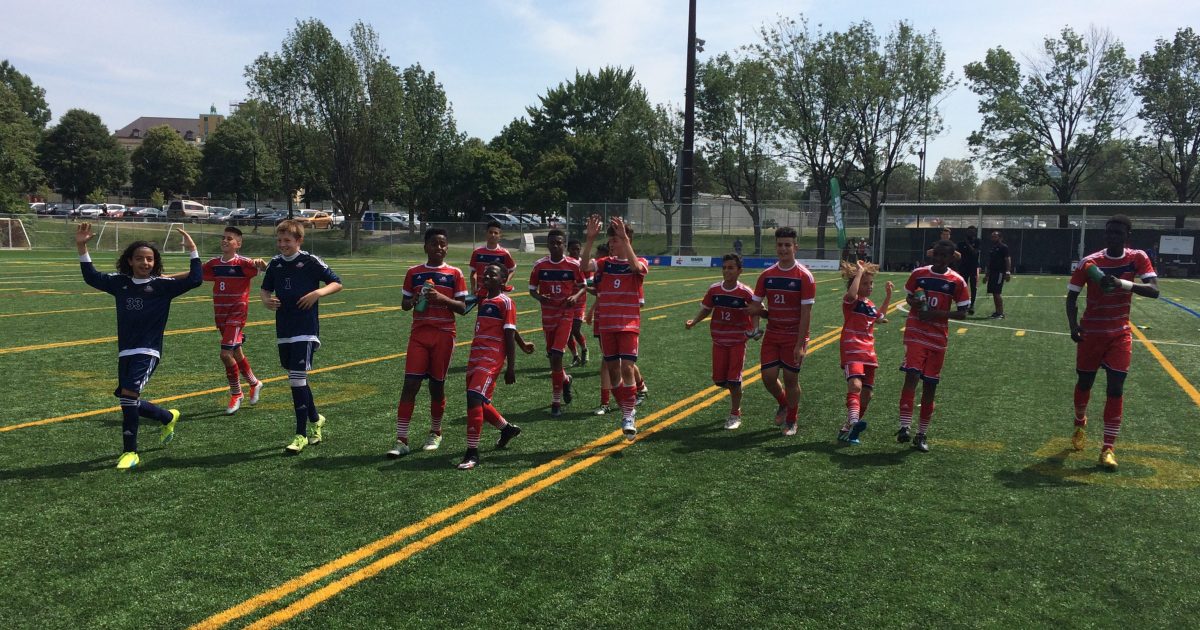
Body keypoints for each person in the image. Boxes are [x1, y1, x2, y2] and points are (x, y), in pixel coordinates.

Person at [76, 223, 202, 470]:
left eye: (150, 259)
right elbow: (90, 276)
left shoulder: (162, 286)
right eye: (139, 259)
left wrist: (193, 251)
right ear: (130, 261)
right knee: (126, 397)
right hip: (126, 350)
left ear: (155, 262)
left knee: (130, 395)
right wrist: (81, 246)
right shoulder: (119, 283)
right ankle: (167, 416)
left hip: (148, 350)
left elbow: (196, 279)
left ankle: (130, 452)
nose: (145, 263)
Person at [1066, 215, 1159, 470]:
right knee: (1084, 383)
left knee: (1116, 388)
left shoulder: (1136, 257)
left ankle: (1107, 448)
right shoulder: (1090, 263)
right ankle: (1079, 422)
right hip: (1091, 334)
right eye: (1109, 233)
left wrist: (1121, 283)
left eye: (1118, 233)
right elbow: (1071, 297)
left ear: (1127, 235)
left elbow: (1154, 290)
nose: (1113, 237)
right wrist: (1073, 326)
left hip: (1119, 333)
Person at [260, 220, 343, 455]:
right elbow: (265, 289)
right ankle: (316, 418)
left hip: (305, 329)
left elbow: (337, 283)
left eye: (287, 240)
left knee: (296, 379)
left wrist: (317, 293)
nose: (282, 244)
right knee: (297, 378)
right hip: (284, 328)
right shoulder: (275, 264)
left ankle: (300, 434)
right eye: (279, 240)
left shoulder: (310, 261)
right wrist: (265, 300)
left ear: (299, 241)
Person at [388, 228, 468, 458]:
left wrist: (442, 299)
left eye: (443, 244)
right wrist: (414, 300)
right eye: (434, 244)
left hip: (444, 335)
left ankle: (435, 431)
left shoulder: (455, 273)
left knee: (436, 386)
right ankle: (401, 439)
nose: (439, 248)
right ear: (425, 247)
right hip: (419, 335)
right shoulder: (414, 272)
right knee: (410, 385)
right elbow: (404, 304)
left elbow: (463, 308)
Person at [896, 239, 970, 452]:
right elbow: (909, 298)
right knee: (911, 375)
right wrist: (916, 303)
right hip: (916, 332)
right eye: (936, 254)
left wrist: (936, 314)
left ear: (950, 258)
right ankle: (904, 426)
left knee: (930, 386)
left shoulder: (957, 281)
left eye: (943, 256)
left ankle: (921, 434)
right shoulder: (919, 274)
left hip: (938, 338)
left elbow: (963, 312)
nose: (938, 259)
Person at [581, 215, 648, 439]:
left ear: (627, 240)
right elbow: (583, 266)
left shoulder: (639, 262)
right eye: (610, 240)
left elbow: (636, 266)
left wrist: (625, 240)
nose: (611, 243)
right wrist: (589, 239)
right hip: (607, 324)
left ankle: (628, 414)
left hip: (628, 323)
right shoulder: (603, 264)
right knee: (612, 370)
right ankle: (628, 410)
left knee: (627, 367)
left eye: (616, 239)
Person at [748, 226, 816, 436]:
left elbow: (806, 313)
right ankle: (784, 403)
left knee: (790, 379)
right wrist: (756, 325)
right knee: (768, 377)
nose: (783, 249)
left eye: (788, 245)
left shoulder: (804, 276)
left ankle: (792, 419)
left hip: (794, 336)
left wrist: (799, 344)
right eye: (780, 245)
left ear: (796, 247)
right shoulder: (766, 275)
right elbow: (755, 307)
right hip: (773, 333)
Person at [459, 263, 524, 469]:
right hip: (476, 355)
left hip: (492, 357)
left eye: (492, 274)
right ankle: (506, 429)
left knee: (474, 398)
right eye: (485, 272)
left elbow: (508, 332)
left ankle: (472, 453)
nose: (486, 275)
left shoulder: (506, 302)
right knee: (478, 400)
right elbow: (509, 328)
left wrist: (511, 367)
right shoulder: (482, 298)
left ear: (503, 280)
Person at [685, 253, 759, 429]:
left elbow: (757, 310)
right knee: (719, 380)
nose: (727, 271)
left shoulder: (745, 292)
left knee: (733, 380)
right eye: (724, 267)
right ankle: (737, 389)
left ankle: (735, 414)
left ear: (740, 271)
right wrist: (694, 321)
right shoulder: (714, 290)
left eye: (731, 267)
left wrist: (755, 329)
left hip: (737, 341)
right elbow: (706, 309)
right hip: (718, 340)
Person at [201, 227, 268, 414]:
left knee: (225, 355)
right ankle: (255, 383)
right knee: (236, 352)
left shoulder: (244, 263)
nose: (224, 241)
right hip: (220, 315)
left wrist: (262, 264)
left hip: (236, 315)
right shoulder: (214, 264)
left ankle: (236, 393)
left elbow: (265, 269)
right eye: (223, 238)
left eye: (229, 239)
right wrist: (166, 278)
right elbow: (194, 275)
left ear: (238, 244)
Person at [530, 229, 587, 417]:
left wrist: (574, 296)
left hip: (565, 315)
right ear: (548, 244)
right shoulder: (540, 266)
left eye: (559, 243)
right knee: (553, 358)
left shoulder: (573, 265)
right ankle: (566, 380)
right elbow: (532, 289)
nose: (556, 246)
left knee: (556, 356)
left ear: (564, 245)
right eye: (552, 243)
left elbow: (583, 286)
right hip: (548, 317)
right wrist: (540, 297)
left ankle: (555, 402)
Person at [836, 260, 893, 444]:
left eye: (871, 283)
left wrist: (888, 296)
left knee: (867, 394)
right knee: (855, 386)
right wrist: (859, 272)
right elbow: (852, 294)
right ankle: (854, 422)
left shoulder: (869, 304)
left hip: (869, 353)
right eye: (865, 283)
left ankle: (848, 428)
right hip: (852, 350)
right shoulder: (850, 302)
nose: (869, 287)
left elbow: (880, 317)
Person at [586, 243, 613, 414]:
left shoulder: (614, 269)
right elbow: (600, 294)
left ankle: (606, 403)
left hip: (616, 320)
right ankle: (640, 388)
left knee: (613, 361)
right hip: (602, 319)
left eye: (599, 254)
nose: (596, 257)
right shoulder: (599, 272)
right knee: (611, 360)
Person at [468, 220, 517, 296]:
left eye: (496, 233)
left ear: (499, 236)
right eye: (490, 232)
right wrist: (473, 288)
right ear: (486, 234)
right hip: (481, 292)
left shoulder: (504, 253)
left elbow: (512, 270)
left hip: (498, 293)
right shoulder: (477, 252)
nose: (493, 235)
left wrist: (505, 282)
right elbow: (473, 272)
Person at [565, 239, 590, 367]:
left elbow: (590, 281)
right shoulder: (565, 263)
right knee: (567, 331)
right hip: (566, 302)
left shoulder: (583, 264)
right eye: (573, 249)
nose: (575, 251)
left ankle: (584, 349)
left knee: (575, 329)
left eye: (578, 249)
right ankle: (575, 356)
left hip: (580, 301)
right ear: (568, 249)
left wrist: (587, 286)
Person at [985, 231, 1012, 319]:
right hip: (992, 273)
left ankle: (1000, 313)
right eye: (992, 237)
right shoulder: (993, 248)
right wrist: (987, 275)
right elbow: (991, 262)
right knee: (994, 292)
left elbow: (1007, 259)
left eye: (995, 237)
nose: (993, 238)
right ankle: (997, 312)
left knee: (997, 292)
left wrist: (1007, 271)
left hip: (999, 272)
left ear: (1000, 238)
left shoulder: (1004, 247)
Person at [956, 226, 981, 315]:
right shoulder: (961, 243)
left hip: (973, 267)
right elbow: (958, 256)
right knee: (964, 286)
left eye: (972, 231)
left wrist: (968, 244)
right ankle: (965, 304)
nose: (970, 233)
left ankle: (972, 305)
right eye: (969, 231)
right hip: (963, 267)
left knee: (973, 286)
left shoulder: (977, 241)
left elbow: (974, 252)